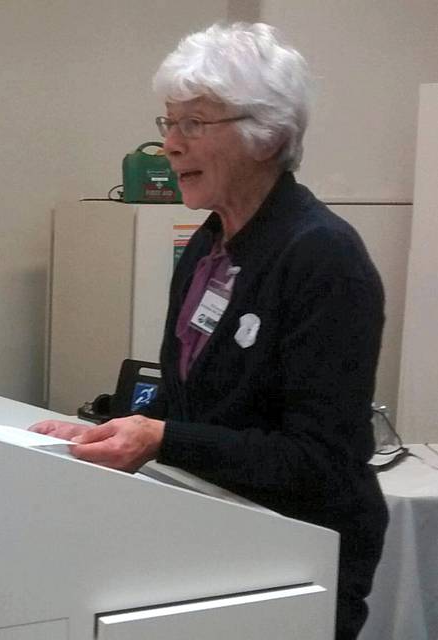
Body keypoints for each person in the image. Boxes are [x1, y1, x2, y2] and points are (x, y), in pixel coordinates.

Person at [32, 22, 388, 639]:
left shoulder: (323, 256)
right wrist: (110, 433)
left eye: (193, 124)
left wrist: (161, 438)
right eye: (167, 124)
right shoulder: (208, 245)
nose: (170, 145)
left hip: (296, 563)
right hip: (212, 542)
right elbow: (185, 405)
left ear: (266, 134)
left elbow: (320, 461)